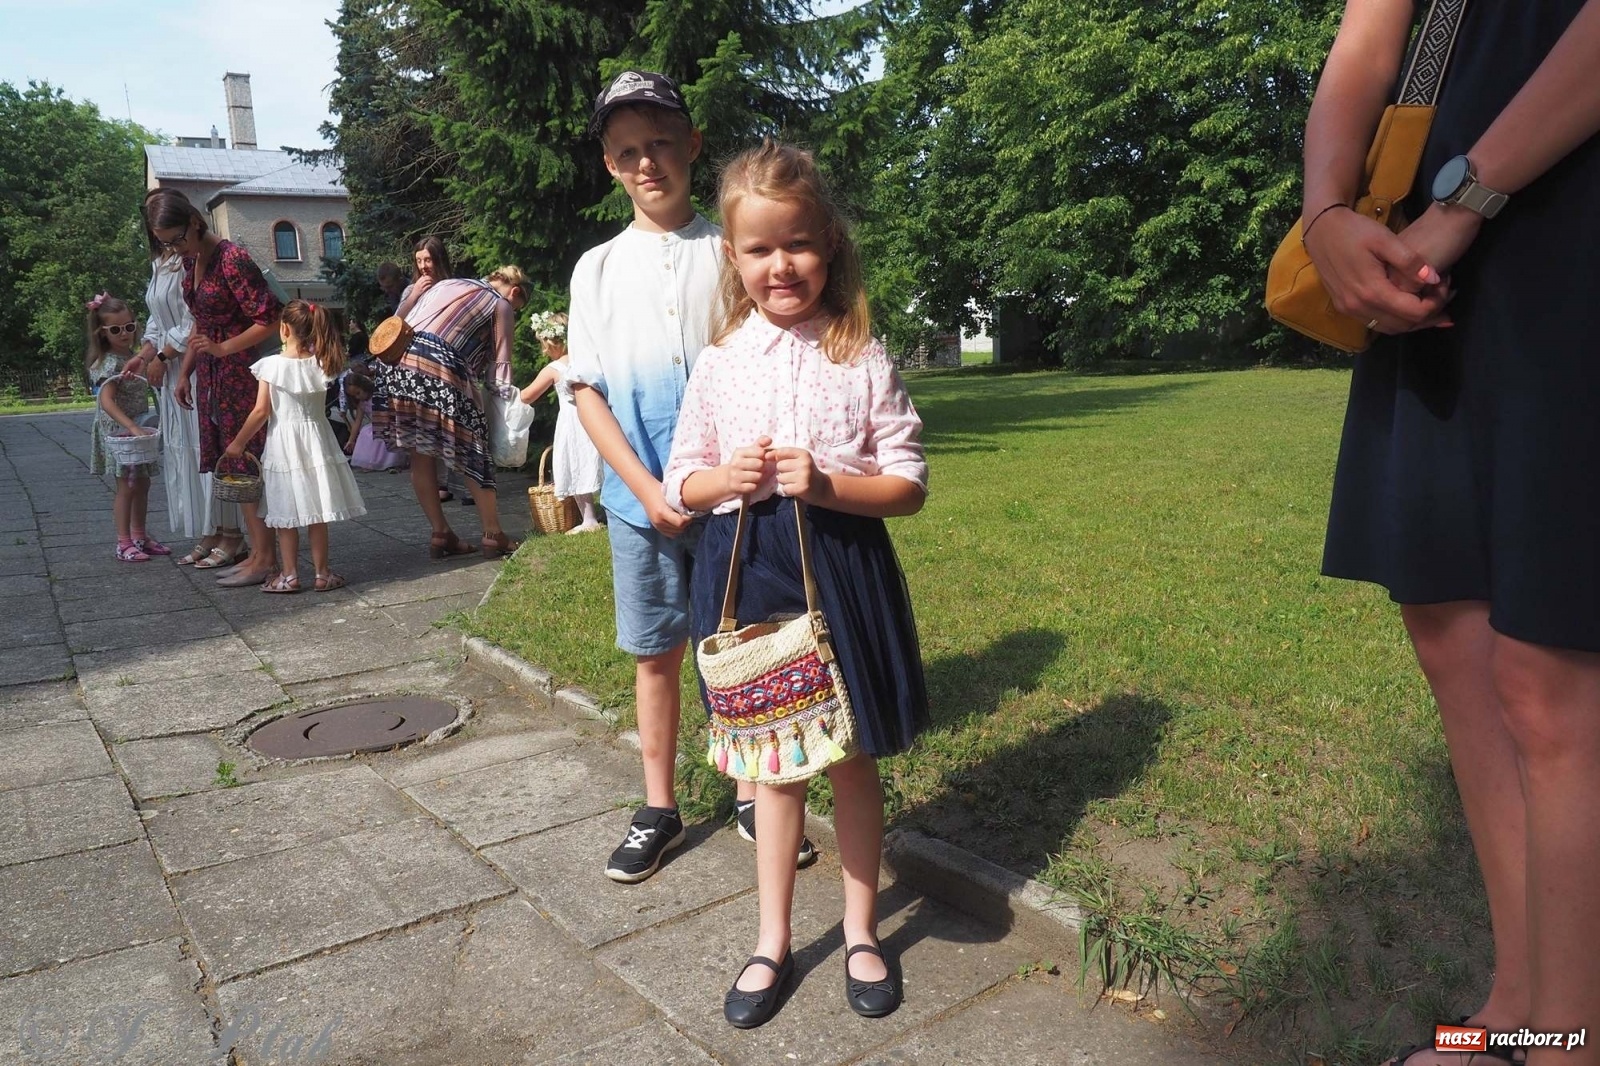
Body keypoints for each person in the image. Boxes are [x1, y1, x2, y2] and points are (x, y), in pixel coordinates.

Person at [1302, 3, 1600, 1065]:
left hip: (1566, 211)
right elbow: (1368, 39)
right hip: (1425, 250)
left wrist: (1465, 196)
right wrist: (1326, 214)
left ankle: (1571, 1043)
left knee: (1551, 671)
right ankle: (1516, 1002)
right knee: (1451, 634)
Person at [662, 139, 928, 1029]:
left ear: (830, 244)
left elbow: (909, 481)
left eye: (800, 244)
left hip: (842, 568)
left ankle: (860, 930)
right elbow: (680, 482)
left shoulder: (862, 355)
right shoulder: (718, 363)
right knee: (774, 770)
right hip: (748, 572)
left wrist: (827, 485)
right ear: (734, 259)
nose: (783, 266)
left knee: (847, 756)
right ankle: (772, 939)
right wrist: (720, 484)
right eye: (761, 249)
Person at [571, 70, 813, 885]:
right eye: (628, 152)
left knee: (740, 641)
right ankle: (659, 805)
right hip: (640, 502)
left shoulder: (732, 250)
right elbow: (587, 394)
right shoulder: (596, 270)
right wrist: (647, 491)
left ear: (692, 146)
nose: (647, 164)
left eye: (661, 145)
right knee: (656, 653)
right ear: (609, 164)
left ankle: (753, 789)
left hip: (734, 503)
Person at [148, 188, 283, 587]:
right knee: (231, 466)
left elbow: (270, 319)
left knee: (244, 462)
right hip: (211, 375)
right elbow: (200, 323)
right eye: (165, 244)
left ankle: (266, 558)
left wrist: (223, 348)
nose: (174, 249)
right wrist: (187, 370)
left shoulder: (232, 258)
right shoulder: (193, 263)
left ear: (193, 221)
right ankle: (258, 554)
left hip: (241, 373)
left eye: (177, 239)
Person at [368, 262, 527, 558]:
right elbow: (500, 367)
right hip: (440, 364)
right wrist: (501, 403)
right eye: (518, 306)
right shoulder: (500, 304)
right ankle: (493, 534)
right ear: (515, 291)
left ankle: (441, 533)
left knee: (420, 452)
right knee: (472, 450)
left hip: (396, 364)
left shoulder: (447, 284)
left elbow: (404, 318)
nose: (513, 312)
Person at [223, 300, 366, 593]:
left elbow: (261, 411)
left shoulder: (271, 366)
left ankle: (289, 576)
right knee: (317, 511)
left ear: (283, 329)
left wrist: (237, 443)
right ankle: (322, 573)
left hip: (284, 444)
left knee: (285, 510)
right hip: (317, 442)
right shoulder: (322, 364)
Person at [137, 190, 237, 561]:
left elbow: (193, 318)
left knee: (204, 447)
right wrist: (145, 352)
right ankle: (208, 530)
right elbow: (155, 315)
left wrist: (164, 354)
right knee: (183, 453)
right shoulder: (162, 260)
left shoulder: (193, 258)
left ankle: (231, 531)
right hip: (169, 370)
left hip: (194, 363)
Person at [85, 293, 164, 562]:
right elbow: (106, 400)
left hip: (137, 432)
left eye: (129, 327)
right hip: (121, 434)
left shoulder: (133, 357)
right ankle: (123, 541)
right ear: (102, 332)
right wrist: (130, 425)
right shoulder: (108, 362)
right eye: (116, 329)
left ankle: (139, 535)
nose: (124, 333)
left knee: (142, 483)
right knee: (126, 487)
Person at [519, 312, 603, 533]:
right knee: (598, 459)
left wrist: (507, 394)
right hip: (597, 416)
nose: (543, 350)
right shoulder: (586, 360)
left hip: (572, 423)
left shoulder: (555, 369)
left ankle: (589, 518)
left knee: (575, 462)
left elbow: (527, 396)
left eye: (543, 344)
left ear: (552, 342)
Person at [326, 369, 373, 453]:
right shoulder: (362, 404)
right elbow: (357, 422)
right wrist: (351, 440)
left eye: (358, 393)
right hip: (375, 426)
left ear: (364, 386)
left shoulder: (378, 395)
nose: (357, 397)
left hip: (388, 423)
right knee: (366, 433)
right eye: (354, 396)